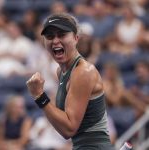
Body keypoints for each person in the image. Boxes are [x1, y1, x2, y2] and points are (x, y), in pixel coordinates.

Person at [26, 12, 115, 150]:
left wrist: (39, 96)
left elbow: (69, 129)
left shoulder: (83, 72)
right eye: (50, 36)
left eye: (61, 35)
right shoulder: (61, 72)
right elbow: (63, 127)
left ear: (76, 38)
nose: (55, 41)